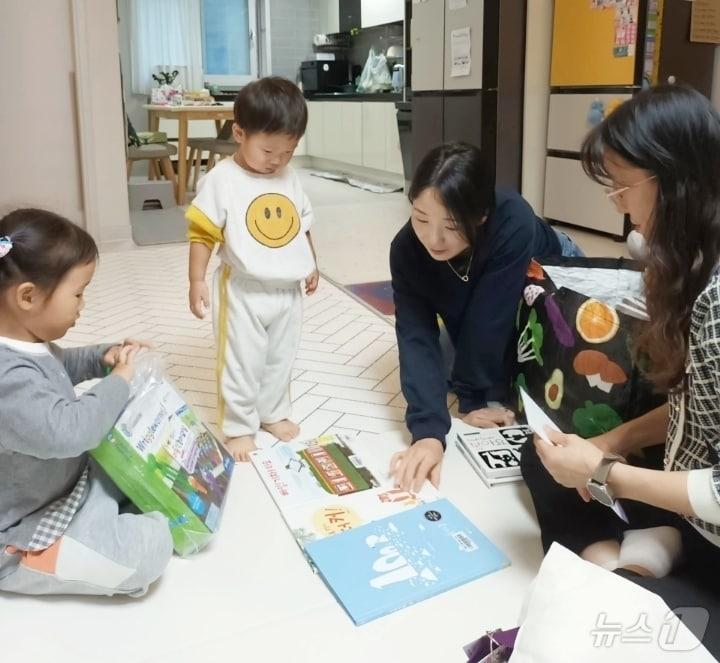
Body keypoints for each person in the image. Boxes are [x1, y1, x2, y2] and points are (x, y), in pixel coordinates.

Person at [521, 85, 720, 656]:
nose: (618, 206)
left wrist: (607, 472)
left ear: (677, 181)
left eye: (623, 185)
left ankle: (633, 563)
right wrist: (608, 443)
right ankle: (638, 555)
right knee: (545, 453)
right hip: (689, 497)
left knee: (619, 637)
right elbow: (692, 403)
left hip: (708, 515)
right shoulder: (692, 264)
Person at [389, 143, 583, 491]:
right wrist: (429, 432)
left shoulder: (512, 219)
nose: (433, 238)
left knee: (551, 374)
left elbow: (491, 314)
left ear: (481, 216)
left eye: (450, 224)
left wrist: (473, 397)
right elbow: (415, 335)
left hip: (550, 277)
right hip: (483, 293)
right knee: (444, 369)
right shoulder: (405, 248)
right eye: (420, 218)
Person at [0, 208, 173, 597]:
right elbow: (71, 432)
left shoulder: (24, 340)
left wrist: (103, 356)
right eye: (77, 293)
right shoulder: (6, 379)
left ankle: (105, 508)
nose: (83, 304)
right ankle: (31, 562)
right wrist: (119, 381)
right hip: (23, 523)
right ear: (27, 296)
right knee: (142, 557)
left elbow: (59, 366)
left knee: (128, 450)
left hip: (65, 482)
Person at [186, 76, 319, 462]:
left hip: (286, 291)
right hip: (242, 289)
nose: (277, 160)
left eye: (288, 152)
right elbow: (202, 233)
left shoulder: (288, 177)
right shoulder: (221, 180)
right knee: (241, 359)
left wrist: (311, 264)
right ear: (239, 132)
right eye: (268, 150)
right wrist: (196, 280)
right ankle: (239, 426)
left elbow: (301, 224)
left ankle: (273, 412)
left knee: (280, 356)